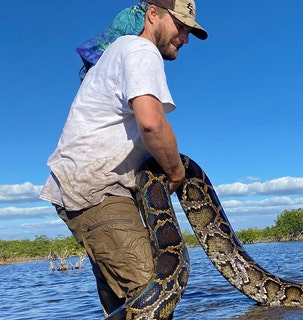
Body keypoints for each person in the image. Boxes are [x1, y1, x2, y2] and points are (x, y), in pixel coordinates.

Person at [39, 0, 208, 315]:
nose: (184, 37)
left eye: (189, 30)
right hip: (99, 190)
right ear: (153, 14)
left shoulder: (119, 53)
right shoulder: (140, 51)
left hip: (90, 186)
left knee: (122, 305)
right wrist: (174, 173)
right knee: (153, 291)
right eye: (180, 25)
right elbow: (151, 123)